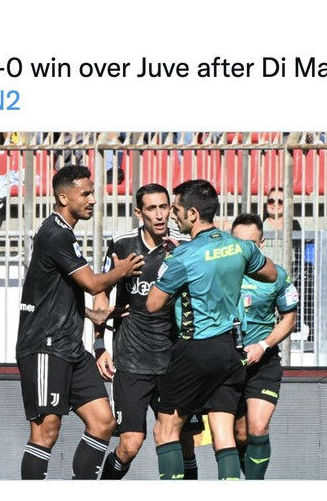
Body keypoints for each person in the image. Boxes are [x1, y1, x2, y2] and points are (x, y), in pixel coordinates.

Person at [15, 164, 144, 480]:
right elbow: (93, 284)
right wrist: (121, 271)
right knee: (46, 429)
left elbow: (50, 292)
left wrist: (89, 314)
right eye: (85, 194)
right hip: (45, 345)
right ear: (63, 197)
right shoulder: (56, 234)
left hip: (70, 345)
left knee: (103, 422)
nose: (92, 200)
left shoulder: (62, 233)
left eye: (92, 193)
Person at [146, 179, 277, 480]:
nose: (172, 215)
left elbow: (153, 304)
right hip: (231, 350)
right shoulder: (240, 247)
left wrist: (174, 266)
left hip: (195, 350)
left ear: (192, 214)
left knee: (166, 430)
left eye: (176, 210)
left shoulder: (182, 257)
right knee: (223, 432)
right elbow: (270, 273)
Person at [93, 183, 201, 480]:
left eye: (164, 207)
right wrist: (99, 345)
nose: (159, 214)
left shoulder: (185, 245)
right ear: (139, 213)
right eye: (151, 208)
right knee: (130, 444)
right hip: (132, 361)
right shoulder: (122, 245)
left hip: (175, 361)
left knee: (184, 441)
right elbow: (101, 292)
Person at [230, 213, 299, 480]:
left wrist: (263, 345)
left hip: (263, 363)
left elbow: (289, 319)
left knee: (258, 427)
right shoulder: (220, 274)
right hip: (228, 362)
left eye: (250, 243)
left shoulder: (276, 275)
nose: (244, 249)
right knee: (240, 434)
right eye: (238, 243)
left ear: (261, 243)